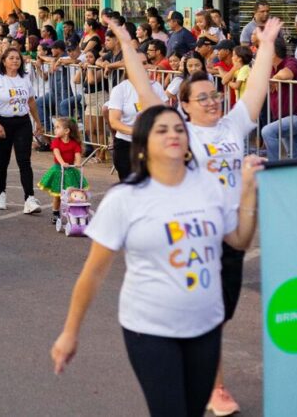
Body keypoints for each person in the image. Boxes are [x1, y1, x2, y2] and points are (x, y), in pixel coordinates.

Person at [109, 16, 280, 415]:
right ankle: (214, 388)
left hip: (235, 235)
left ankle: (199, 375)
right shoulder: (179, 129)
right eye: (201, 97)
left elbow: (256, 86)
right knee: (207, 313)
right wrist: (123, 41)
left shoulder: (233, 126)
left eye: (214, 95)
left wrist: (267, 43)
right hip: (194, 237)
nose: (211, 101)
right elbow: (141, 84)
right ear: (183, 105)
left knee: (220, 314)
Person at [51, 107, 263, 417]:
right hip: (150, 329)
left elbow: (240, 240)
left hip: (206, 325)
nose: (174, 135)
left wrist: (246, 191)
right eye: (162, 130)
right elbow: (93, 273)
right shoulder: (125, 198)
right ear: (143, 143)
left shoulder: (209, 185)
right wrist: (70, 332)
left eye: (179, 129)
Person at [0, 47, 44, 214]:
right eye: (11, 58)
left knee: (24, 160)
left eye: (17, 58)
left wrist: (38, 122)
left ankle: (29, 199)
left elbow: (31, 101)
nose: (15, 61)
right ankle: (0, 194)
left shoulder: (24, 79)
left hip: (22, 122)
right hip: (1, 121)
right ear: (4, 61)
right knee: (3, 159)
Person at [107, 51, 168, 181]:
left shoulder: (156, 87)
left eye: (145, 63)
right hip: (127, 146)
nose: (143, 67)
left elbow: (166, 113)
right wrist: (138, 132)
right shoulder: (120, 90)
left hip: (152, 146)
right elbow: (114, 122)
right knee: (131, 189)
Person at [37, 117, 87, 225]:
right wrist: (62, 162)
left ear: (67, 131)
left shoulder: (74, 143)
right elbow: (57, 153)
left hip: (70, 170)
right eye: (55, 128)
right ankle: (55, 214)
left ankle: (73, 212)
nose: (55, 130)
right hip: (58, 170)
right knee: (57, 195)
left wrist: (78, 163)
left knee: (72, 193)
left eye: (57, 128)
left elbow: (77, 154)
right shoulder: (56, 142)